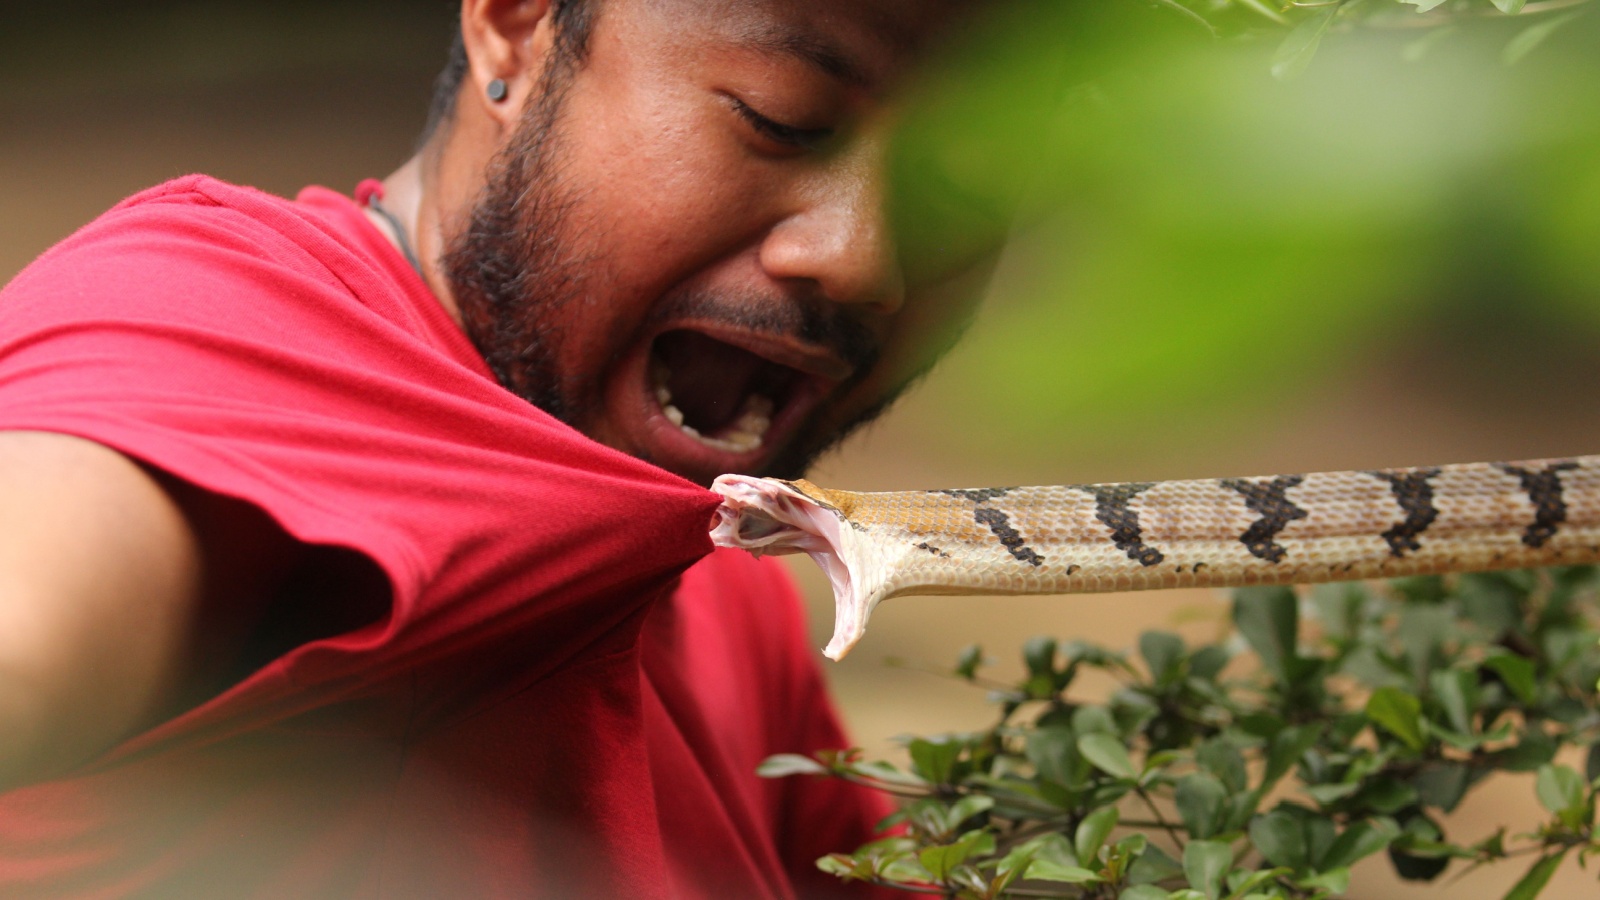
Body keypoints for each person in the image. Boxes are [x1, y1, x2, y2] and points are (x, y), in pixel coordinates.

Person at [0, 0, 996, 896]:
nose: (862, 261)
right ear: (517, 28)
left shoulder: (728, 589)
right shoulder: (222, 329)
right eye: (779, 120)